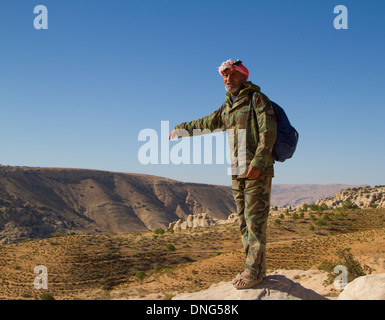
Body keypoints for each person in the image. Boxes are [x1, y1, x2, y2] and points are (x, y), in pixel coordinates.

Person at [169, 59, 277, 289]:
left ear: (243, 77)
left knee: (255, 222)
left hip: (257, 170)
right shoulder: (227, 106)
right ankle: (255, 268)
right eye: (225, 77)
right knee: (244, 222)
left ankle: (254, 271)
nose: (228, 80)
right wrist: (182, 129)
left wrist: (258, 162)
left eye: (233, 76)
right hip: (237, 171)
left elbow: (269, 131)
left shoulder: (256, 99)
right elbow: (207, 122)